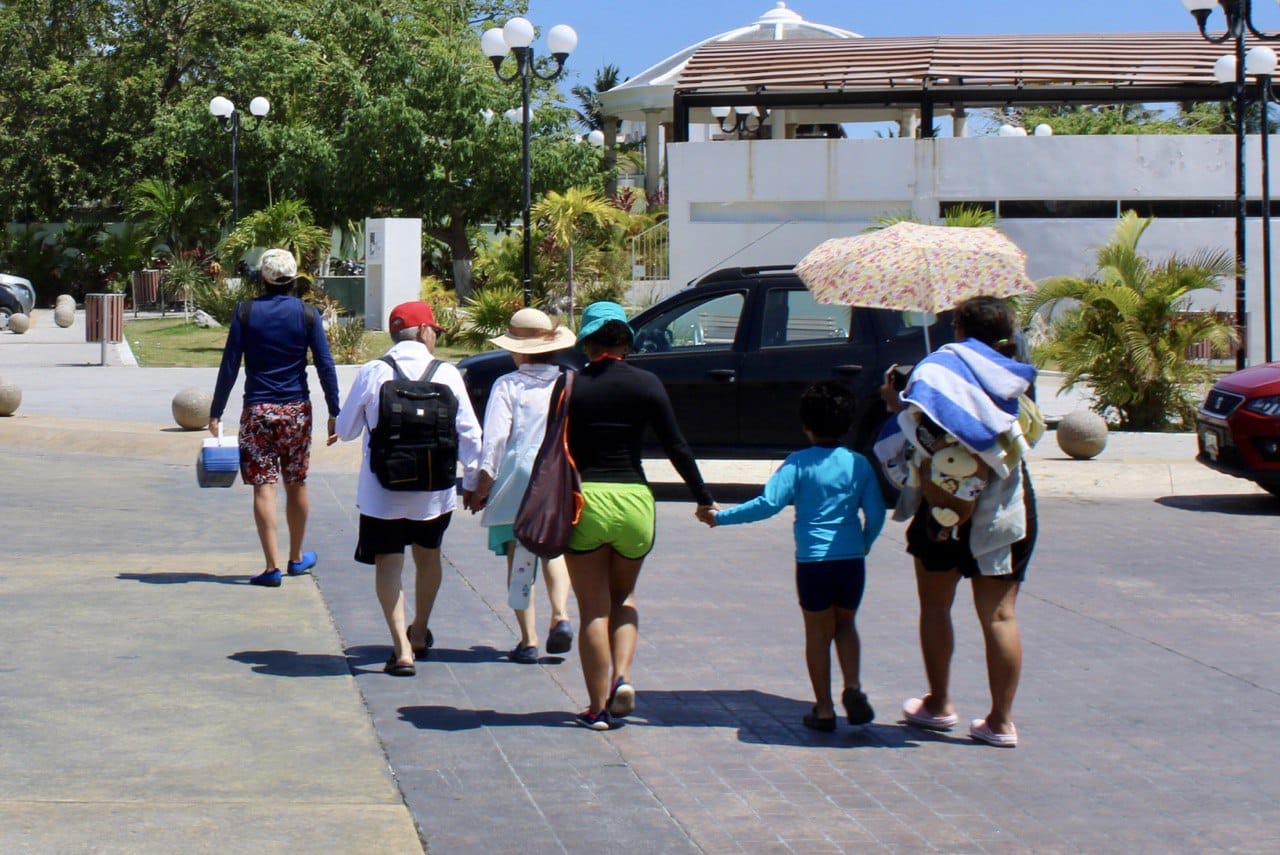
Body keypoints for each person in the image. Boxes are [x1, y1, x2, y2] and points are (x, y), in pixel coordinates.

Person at [876, 295, 1039, 748]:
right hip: (1005, 506)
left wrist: (896, 400)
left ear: (959, 330)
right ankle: (1001, 722)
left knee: (935, 607)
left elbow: (918, 432)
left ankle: (939, 704)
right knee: (1001, 615)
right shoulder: (1017, 374)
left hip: (941, 507)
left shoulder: (938, 368)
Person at [564, 301, 716, 730]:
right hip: (634, 500)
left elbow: (553, 450)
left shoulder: (571, 386)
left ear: (588, 342)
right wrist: (702, 497)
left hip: (586, 501)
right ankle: (622, 679)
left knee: (593, 610)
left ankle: (597, 709)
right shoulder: (647, 383)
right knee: (623, 599)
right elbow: (676, 445)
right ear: (626, 342)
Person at [702, 381, 886, 732]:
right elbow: (875, 512)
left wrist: (720, 517)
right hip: (851, 561)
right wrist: (865, 542)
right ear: (848, 424)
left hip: (813, 562)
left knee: (817, 633)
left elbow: (768, 504)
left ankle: (824, 708)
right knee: (846, 625)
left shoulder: (798, 463)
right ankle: (854, 688)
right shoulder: (859, 464)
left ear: (806, 425)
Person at [335, 301, 482, 677]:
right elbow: (470, 434)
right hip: (434, 491)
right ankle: (419, 631)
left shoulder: (374, 371)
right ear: (423, 332)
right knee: (428, 557)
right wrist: (474, 481)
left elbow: (348, 430)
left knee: (388, 562)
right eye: (433, 330)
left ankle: (401, 649)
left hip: (381, 491)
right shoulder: (447, 374)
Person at [209, 248, 341, 588]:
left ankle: (271, 567)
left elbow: (230, 364)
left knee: (263, 488)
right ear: (294, 278)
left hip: (257, 411)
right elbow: (325, 365)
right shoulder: (308, 314)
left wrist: (216, 410)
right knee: (296, 482)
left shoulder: (245, 312)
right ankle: (296, 558)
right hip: (296, 410)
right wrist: (335, 411)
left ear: (263, 278)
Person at [468, 308, 577, 664]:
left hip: (516, 473)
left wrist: (482, 484)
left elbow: (496, 439)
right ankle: (560, 614)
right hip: (555, 472)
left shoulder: (508, 384)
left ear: (518, 349)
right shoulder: (569, 381)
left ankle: (527, 639)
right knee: (553, 549)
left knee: (519, 555)